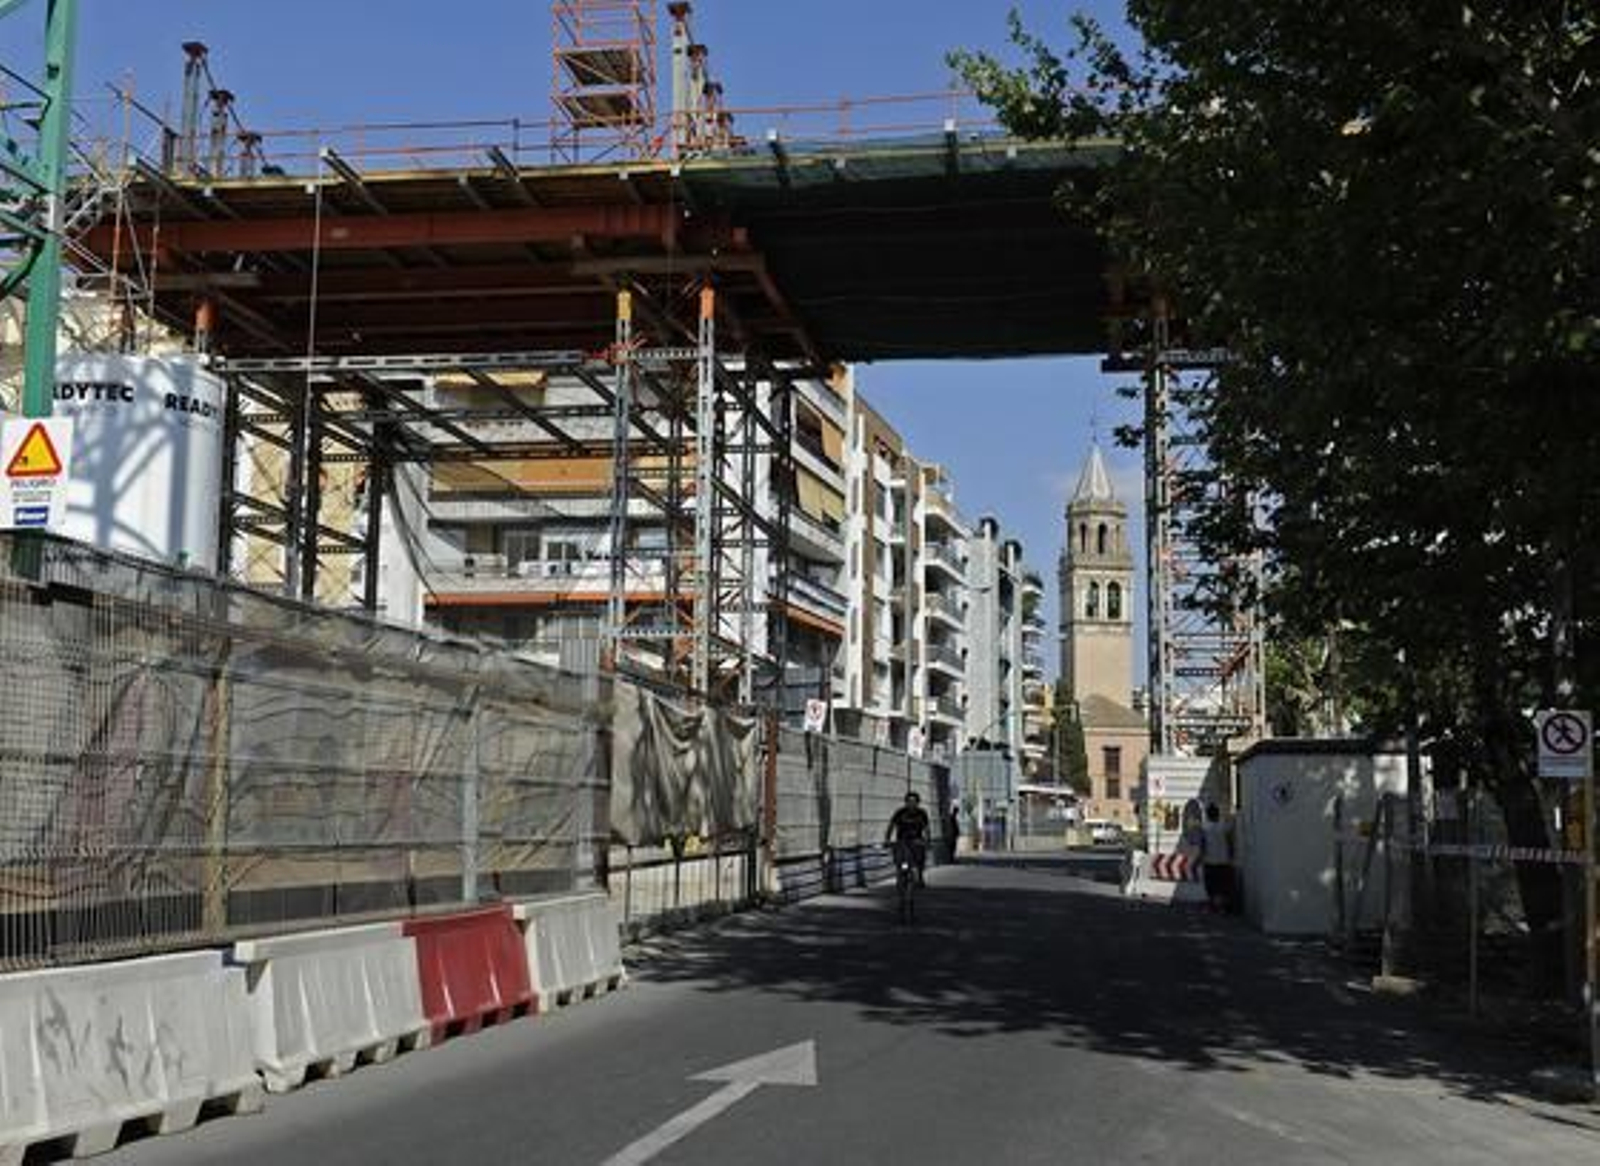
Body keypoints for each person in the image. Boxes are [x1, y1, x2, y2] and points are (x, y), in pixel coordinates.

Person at [885, 791, 931, 887]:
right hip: (902, 840)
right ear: (906, 802)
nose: (911, 804)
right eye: (909, 801)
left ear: (917, 803)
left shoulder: (921, 813)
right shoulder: (900, 813)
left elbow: (926, 828)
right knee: (900, 859)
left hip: (916, 840)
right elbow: (891, 826)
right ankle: (900, 874)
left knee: (920, 857)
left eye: (914, 801)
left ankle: (920, 874)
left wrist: (928, 840)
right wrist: (887, 839)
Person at [1200, 803, 1234, 913]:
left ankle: (1213, 906)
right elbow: (1230, 842)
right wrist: (1231, 855)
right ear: (1218, 814)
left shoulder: (1204, 828)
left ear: (1207, 815)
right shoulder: (1224, 827)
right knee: (1223, 886)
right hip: (1224, 860)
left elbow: (1203, 845)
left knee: (1211, 886)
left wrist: (1201, 857)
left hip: (1210, 861)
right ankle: (1222, 907)